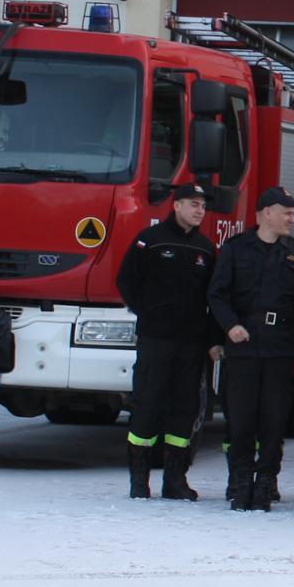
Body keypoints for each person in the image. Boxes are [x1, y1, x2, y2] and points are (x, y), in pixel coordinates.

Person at [207, 186, 294, 512]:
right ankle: (240, 479)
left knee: (274, 419)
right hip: (244, 345)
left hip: (280, 347)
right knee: (240, 418)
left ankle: (266, 480)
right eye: (287, 212)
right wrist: (230, 326)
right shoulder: (236, 249)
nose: (292, 218)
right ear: (267, 213)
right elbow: (217, 294)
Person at [117, 181, 220, 501]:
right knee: (147, 406)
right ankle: (139, 480)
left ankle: (175, 479)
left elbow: (213, 296)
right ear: (176, 206)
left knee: (185, 410)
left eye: (203, 206)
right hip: (156, 340)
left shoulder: (205, 248)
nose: (199, 210)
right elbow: (127, 281)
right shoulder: (150, 241)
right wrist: (148, 314)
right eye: (193, 204)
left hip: (191, 343)